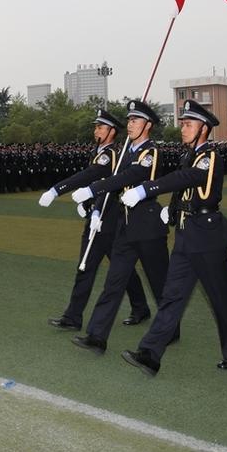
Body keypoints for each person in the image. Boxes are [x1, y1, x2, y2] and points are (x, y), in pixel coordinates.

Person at [119, 100, 227, 376]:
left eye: (189, 124)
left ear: (204, 129)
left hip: (209, 237)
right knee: (171, 296)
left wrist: (145, 189)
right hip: (186, 235)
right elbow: (181, 188)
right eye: (182, 124)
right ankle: (150, 354)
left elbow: (187, 178)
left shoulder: (209, 158)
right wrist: (173, 211)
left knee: (221, 297)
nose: (183, 129)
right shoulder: (188, 155)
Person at [69, 100, 170, 355]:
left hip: (147, 226)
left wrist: (93, 189)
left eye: (135, 120)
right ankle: (97, 336)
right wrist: (94, 203)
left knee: (159, 283)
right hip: (124, 225)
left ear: (148, 125)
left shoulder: (151, 152)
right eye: (129, 120)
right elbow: (111, 177)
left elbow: (128, 178)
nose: (130, 124)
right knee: (114, 282)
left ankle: (170, 328)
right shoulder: (126, 151)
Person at [38, 109, 150, 331]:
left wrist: (56, 189)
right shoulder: (98, 152)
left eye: (101, 126)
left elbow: (92, 178)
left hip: (109, 220)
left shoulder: (111, 156)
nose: (96, 130)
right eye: (96, 126)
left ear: (111, 131)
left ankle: (139, 308)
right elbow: (95, 185)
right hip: (96, 219)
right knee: (88, 267)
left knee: (117, 269)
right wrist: (88, 206)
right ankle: (73, 317)